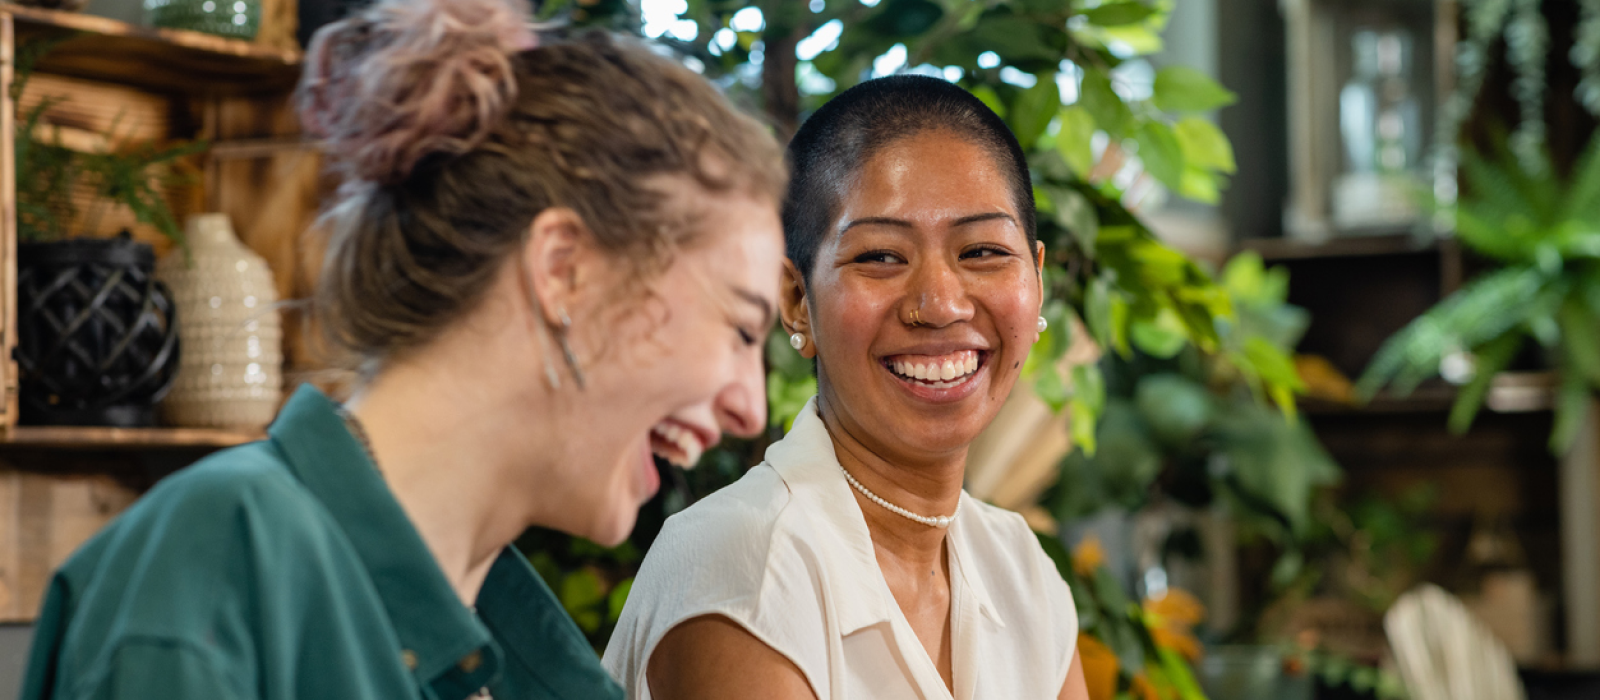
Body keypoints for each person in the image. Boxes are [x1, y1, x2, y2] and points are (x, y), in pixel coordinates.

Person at [19, 1, 787, 698]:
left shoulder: (518, 647)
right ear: (564, 270)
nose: (751, 408)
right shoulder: (215, 573)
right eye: (742, 328)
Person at [603, 75, 1091, 700]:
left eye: (983, 251)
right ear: (795, 300)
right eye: (881, 257)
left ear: (1038, 279)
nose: (939, 304)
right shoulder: (749, 567)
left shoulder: (1022, 573)